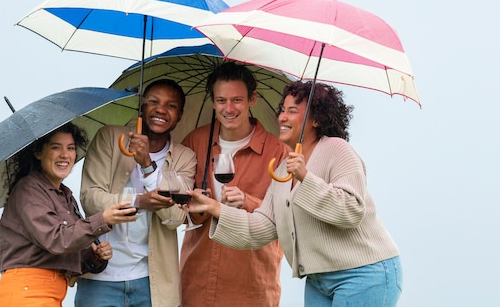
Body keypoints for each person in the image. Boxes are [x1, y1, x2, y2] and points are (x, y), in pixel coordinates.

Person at [183, 81, 403, 307]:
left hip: (364, 274)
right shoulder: (282, 170)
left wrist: (305, 177)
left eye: (292, 111)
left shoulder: (337, 149)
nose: (282, 117)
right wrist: (213, 207)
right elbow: (262, 226)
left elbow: (351, 210)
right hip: (319, 279)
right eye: (282, 110)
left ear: (316, 119)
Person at [75, 79, 197, 307]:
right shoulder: (110, 138)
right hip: (100, 278)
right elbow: (90, 200)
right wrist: (139, 201)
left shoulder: (185, 157)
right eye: (154, 102)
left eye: (171, 106)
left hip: (151, 284)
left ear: (179, 115)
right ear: (142, 107)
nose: (161, 109)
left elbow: (175, 219)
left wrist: (147, 165)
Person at [179, 61, 290, 307]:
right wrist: (192, 207)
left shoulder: (279, 152)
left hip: (253, 287)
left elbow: (287, 218)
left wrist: (248, 202)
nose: (229, 108)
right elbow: (178, 211)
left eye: (237, 100)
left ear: (253, 99)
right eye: (221, 100)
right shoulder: (195, 141)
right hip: (196, 284)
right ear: (212, 101)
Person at [0, 122, 136, 307]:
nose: (65, 155)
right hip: (26, 294)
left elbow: (67, 251)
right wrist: (103, 219)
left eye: (70, 148)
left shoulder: (65, 195)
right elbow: (56, 240)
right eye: (55, 147)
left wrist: (95, 257)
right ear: (38, 153)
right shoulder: (29, 189)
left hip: (50, 294)